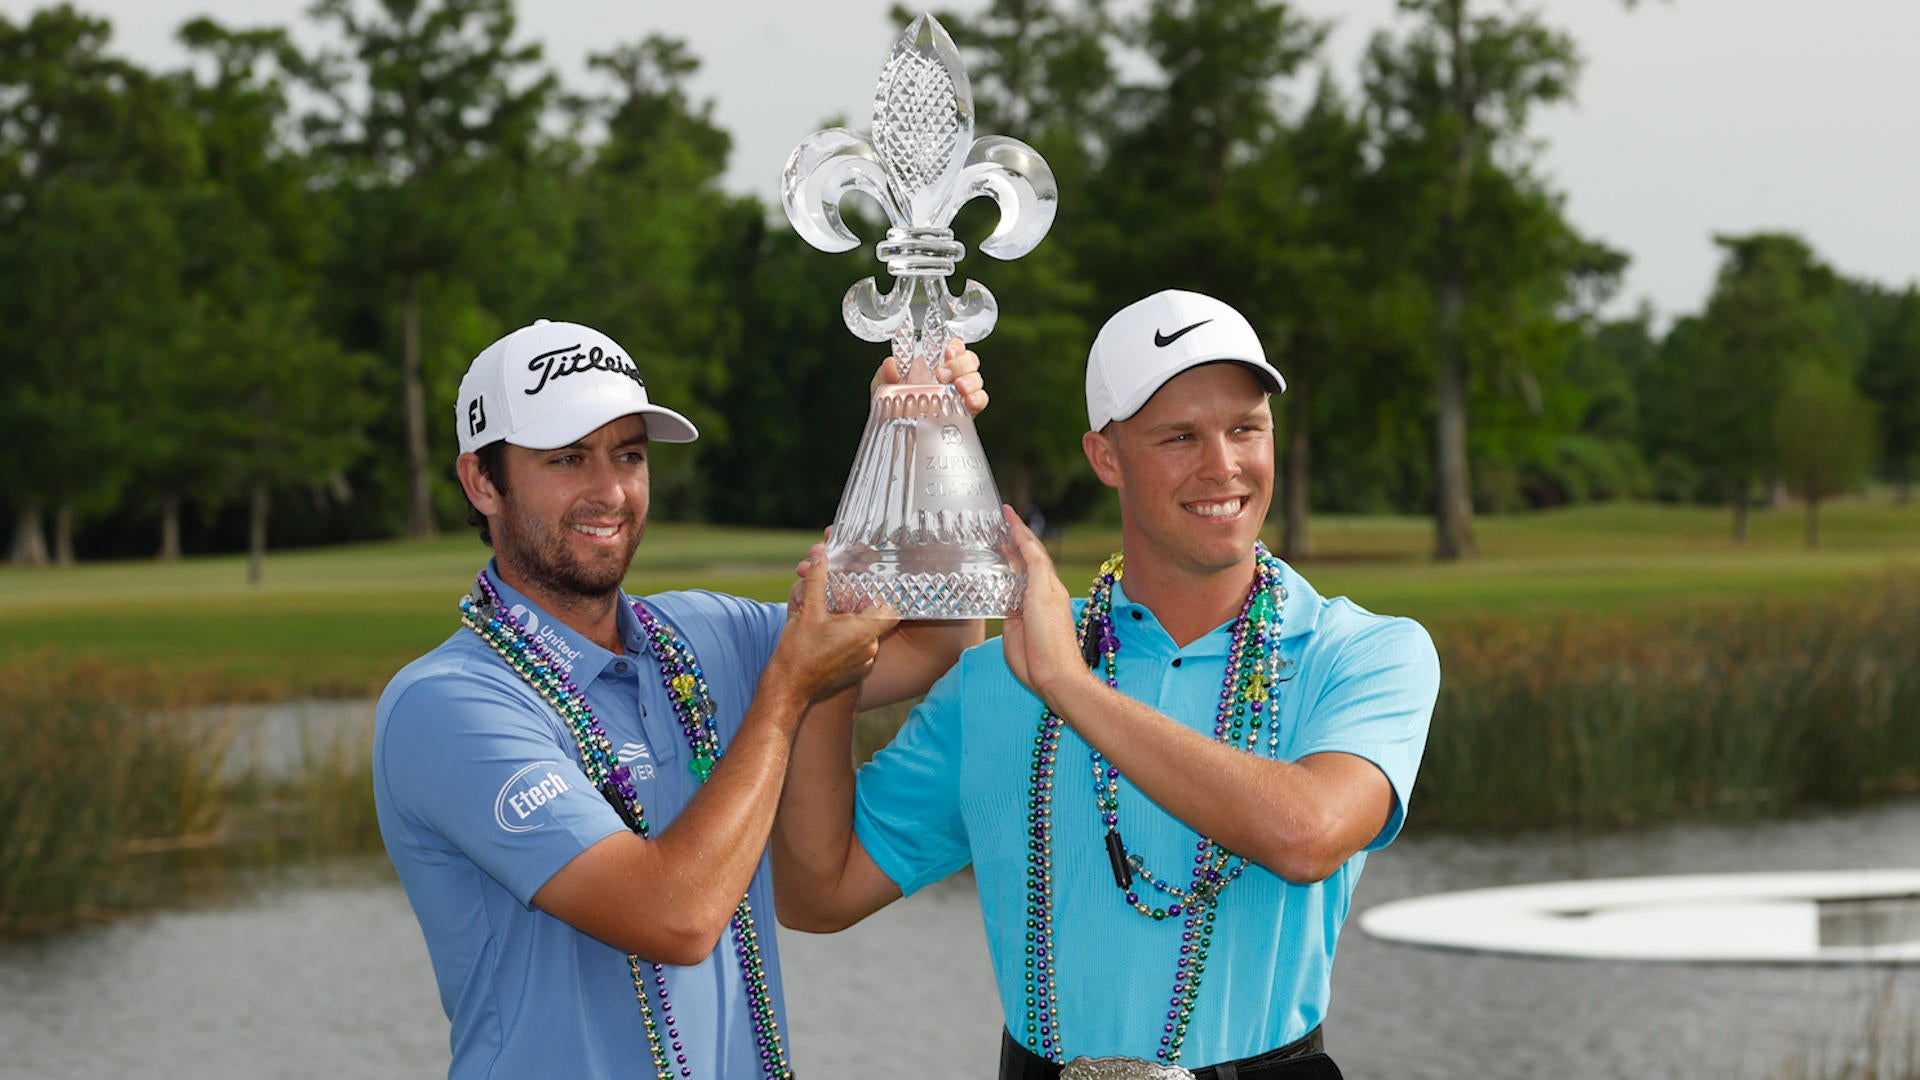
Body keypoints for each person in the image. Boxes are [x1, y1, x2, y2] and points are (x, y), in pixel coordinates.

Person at [773, 290, 1440, 1080]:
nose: (1222, 466)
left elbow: (1307, 835)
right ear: (1106, 457)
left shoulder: (1367, 651)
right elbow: (817, 895)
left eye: (1245, 429)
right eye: (1179, 436)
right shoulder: (994, 680)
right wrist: (826, 672)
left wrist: (1068, 685)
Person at [372, 318, 987, 1079]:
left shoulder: (703, 634)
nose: (608, 492)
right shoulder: (446, 706)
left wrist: (918, 443)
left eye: (628, 455)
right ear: (482, 482)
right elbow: (676, 916)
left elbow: (935, 643)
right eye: (567, 458)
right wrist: (788, 690)